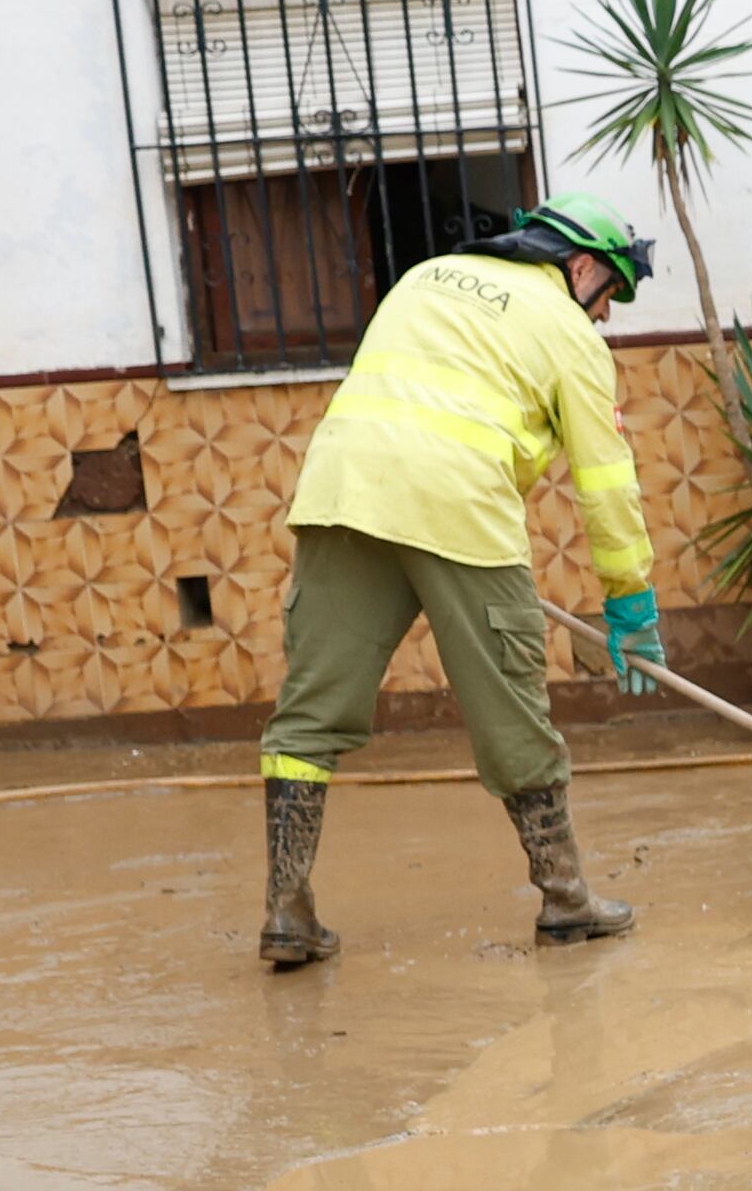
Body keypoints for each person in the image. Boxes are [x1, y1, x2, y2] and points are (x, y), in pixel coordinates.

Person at [257, 193, 671, 967]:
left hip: (343, 490)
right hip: (458, 509)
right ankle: (566, 898)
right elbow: (605, 482)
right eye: (610, 293)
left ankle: (287, 909)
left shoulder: (426, 277)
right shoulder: (569, 334)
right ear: (580, 267)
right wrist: (629, 599)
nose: (606, 315)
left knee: (308, 715)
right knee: (512, 712)